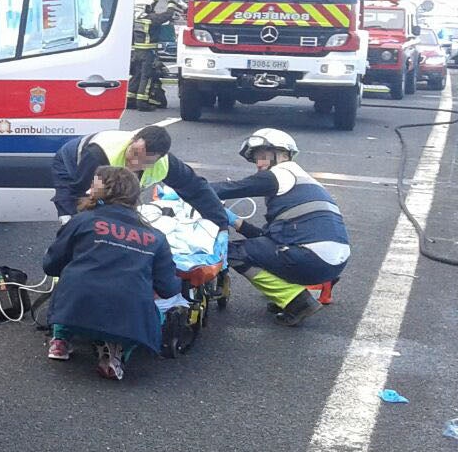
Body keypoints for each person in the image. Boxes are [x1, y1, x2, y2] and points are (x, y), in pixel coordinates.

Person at [42, 166, 179, 380]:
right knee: (155, 313)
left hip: (75, 307)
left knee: (71, 281)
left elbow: (51, 265)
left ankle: (60, 338)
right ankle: (116, 352)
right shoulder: (157, 237)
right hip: (128, 313)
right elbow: (169, 288)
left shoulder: (82, 221)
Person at [214, 128, 349, 326]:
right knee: (262, 248)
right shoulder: (303, 181)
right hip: (334, 261)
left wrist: (186, 189)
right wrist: (234, 220)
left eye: (263, 156)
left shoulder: (280, 174)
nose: (259, 164)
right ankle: (295, 293)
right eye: (256, 159)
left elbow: (230, 188)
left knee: (229, 251)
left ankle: (296, 301)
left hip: (311, 258)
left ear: (283, 154)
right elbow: (268, 239)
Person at [52, 125, 226, 228]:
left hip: (102, 175)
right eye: (134, 153)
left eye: (144, 162)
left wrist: (220, 223)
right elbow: (77, 193)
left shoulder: (166, 163)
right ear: (133, 139)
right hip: (72, 164)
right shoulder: (99, 155)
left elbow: (196, 189)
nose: (134, 164)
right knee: (74, 220)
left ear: (159, 158)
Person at [127, 0, 176, 111]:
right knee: (146, 77)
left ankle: (130, 99)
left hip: (136, 52)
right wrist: (171, 3)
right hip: (148, 53)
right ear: (145, 7)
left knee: (136, 76)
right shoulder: (151, 19)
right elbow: (166, 15)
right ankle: (142, 103)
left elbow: (148, 7)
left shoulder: (136, 19)